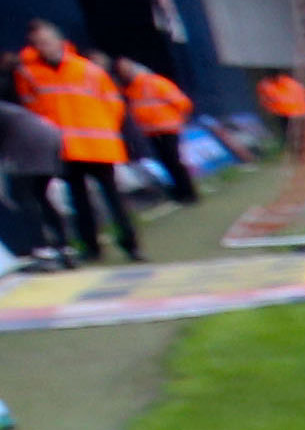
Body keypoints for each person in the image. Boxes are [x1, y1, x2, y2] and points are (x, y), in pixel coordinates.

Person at [10, 22, 129, 266]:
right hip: (66, 148)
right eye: (40, 43)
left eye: (49, 40)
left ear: (59, 40)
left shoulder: (87, 69)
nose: (46, 46)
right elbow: (32, 111)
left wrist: (106, 129)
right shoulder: (28, 74)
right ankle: (92, 247)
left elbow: (113, 102)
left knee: (114, 200)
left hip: (98, 146)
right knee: (79, 201)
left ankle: (130, 243)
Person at [113, 54, 194, 210]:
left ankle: (188, 192)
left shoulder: (154, 83)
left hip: (167, 128)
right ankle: (181, 191)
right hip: (151, 131)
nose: (125, 72)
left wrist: (179, 119)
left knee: (174, 160)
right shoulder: (129, 90)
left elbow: (181, 102)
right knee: (167, 161)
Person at [1, 93, 65, 271]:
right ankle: (63, 246)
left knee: (23, 198)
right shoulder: (10, 109)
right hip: (50, 139)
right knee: (40, 197)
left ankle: (41, 250)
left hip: (26, 146)